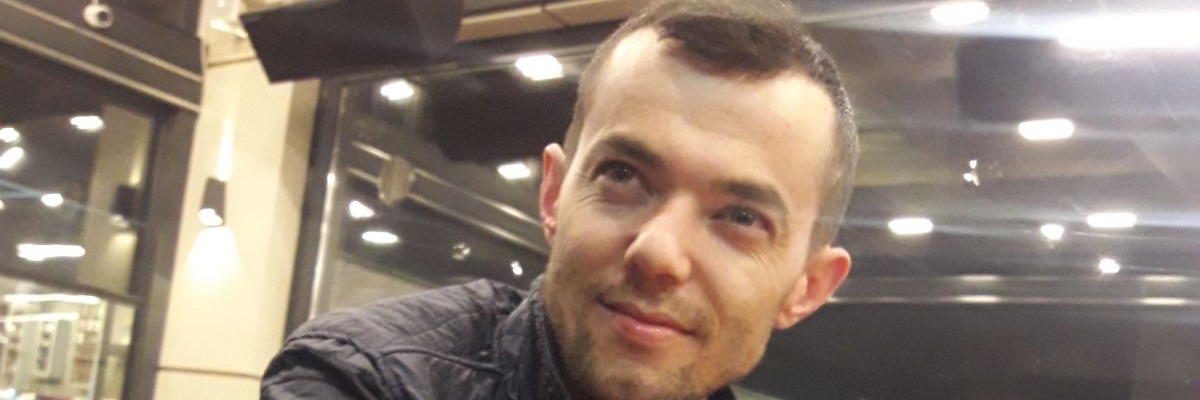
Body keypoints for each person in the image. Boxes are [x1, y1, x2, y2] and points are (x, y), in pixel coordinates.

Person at [261, 0, 858, 398]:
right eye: (624, 176)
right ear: (553, 194)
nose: (658, 252)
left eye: (741, 217)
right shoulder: (366, 380)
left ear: (807, 287)